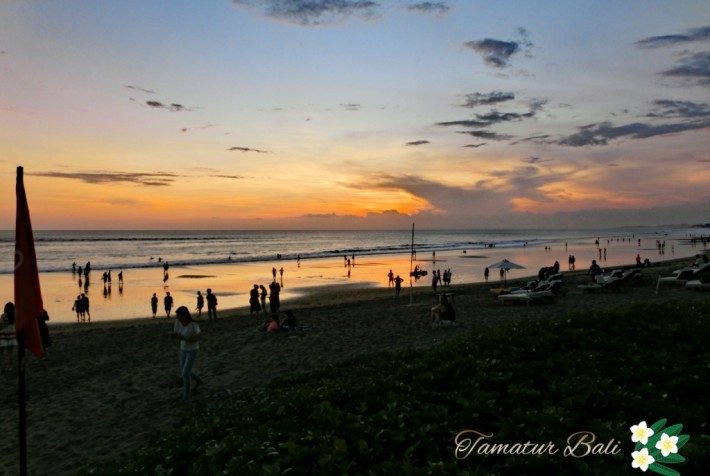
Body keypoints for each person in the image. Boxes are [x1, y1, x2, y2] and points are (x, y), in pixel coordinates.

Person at [172, 306, 202, 400]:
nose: (179, 318)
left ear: (185, 315)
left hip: (193, 350)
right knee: (184, 371)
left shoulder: (193, 324)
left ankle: (186, 395)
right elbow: (176, 333)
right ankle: (199, 381)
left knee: (185, 373)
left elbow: (197, 338)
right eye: (177, 316)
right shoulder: (177, 322)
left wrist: (184, 338)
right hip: (183, 349)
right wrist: (176, 336)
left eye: (180, 316)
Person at [0, 303, 17, 369]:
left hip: (3, 336)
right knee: (10, 353)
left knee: (1, 352)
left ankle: (1, 366)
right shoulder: (15, 316)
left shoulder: (4, 316)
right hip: (12, 336)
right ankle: (10, 366)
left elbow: (1, 325)